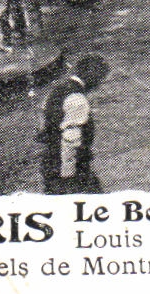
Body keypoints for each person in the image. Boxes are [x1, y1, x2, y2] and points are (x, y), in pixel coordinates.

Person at [37, 54, 110, 193]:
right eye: (100, 79)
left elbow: (43, 123)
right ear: (92, 76)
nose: (98, 85)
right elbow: (71, 139)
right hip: (69, 169)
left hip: (50, 161)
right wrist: (69, 177)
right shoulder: (78, 99)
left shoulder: (56, 90)